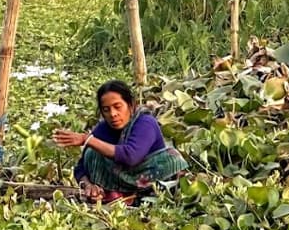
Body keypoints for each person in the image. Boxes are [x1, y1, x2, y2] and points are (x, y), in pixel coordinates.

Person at [52, 80, 188, 204]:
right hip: (119, 194)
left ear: (131, 105)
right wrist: (88, 186)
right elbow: (81, 168)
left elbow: (131, 156)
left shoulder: (145, 123)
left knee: (93, 144)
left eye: (118, 107)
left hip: (154, 186)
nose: (113, 114)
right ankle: (114, 195)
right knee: (92, 152)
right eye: (106, 110)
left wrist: (86, 139)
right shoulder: (104, 128)